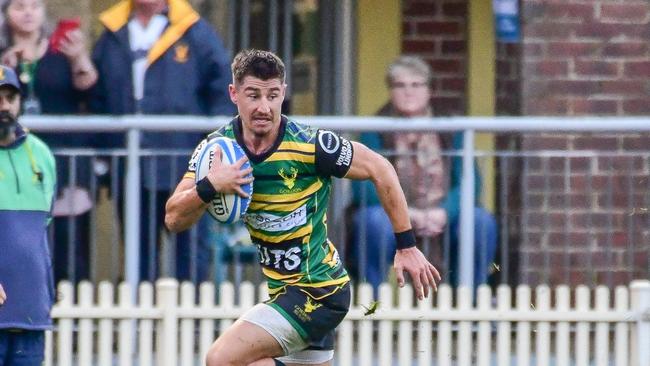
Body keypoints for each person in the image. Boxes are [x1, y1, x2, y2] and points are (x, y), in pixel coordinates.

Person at [165, 49, 440, 366]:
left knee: (221, 359)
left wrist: (406, 245)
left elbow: (380, 168)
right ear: (234, 94)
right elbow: (173, 218)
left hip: (319, 293)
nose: (264, 107)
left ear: (283, 93)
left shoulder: (311, 145)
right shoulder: (217, 150)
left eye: (272, 95)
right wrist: (210, 184)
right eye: (253, 95)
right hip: (284, 292)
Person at [91, 0, 236, 282]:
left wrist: (217, 147)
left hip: (186, 164)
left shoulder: (195, 31)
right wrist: (103, 157)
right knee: (138, 251)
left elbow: (223, 90)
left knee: (192, 251)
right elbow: (99, 98)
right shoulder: (112, 32)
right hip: (131, 164)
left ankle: (193, 321)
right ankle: (141, 321)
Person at [348, 55, 498, 291]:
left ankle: (471, 298)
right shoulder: (374, 130)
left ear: (428, 90)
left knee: (480, 222)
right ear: (391, 90)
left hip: (441, 215)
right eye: (400, 85)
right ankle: (372, 301)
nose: (409, 92)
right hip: (393, 215)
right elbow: (363, 187)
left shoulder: (450, 129)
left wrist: (444, 212)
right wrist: (406, 215)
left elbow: (470, 183)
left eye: (416, 85)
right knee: (373, 221)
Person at [0, 0, 98, 284]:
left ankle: (73, 318)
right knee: (22, 245)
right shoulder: (4, 57)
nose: (28, 12)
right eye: (19, 7)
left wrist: (79, 58)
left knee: (70, 248)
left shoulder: (61, 51)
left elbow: (90, 95)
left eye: (34, 6)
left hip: (64, 159)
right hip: (14, 163)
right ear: (6, 14)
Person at [0, 64, 57, 366]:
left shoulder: (42, 154)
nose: (4, 106)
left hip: (30, 312)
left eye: (10, 97)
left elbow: (40, 232)